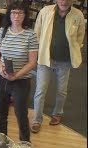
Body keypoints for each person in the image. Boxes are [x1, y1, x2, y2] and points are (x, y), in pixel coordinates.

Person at [31, 0, 85, 133]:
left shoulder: (78, 15)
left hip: (65, 61)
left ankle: (57, 113)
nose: (64, 2)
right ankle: (37, 120)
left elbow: (80, 36)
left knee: (62, 90)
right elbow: (37, 32)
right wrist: (37, 52)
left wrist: (75, 49)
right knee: (40, 91)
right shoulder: (45, 11)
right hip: (45, 58)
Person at [0, 1, 38, 142]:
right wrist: (1, 69)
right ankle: (0, 144)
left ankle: (25, 145)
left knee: (21, 115)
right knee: (1, 114)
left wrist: (16, 75)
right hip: (1, 78)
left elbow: (32, 62)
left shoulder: (30, 35)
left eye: (20, 12)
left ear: (25, 15)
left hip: (21, 81)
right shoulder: (2, 31)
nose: (16, 16)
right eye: (13, 12)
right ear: (9, 14)